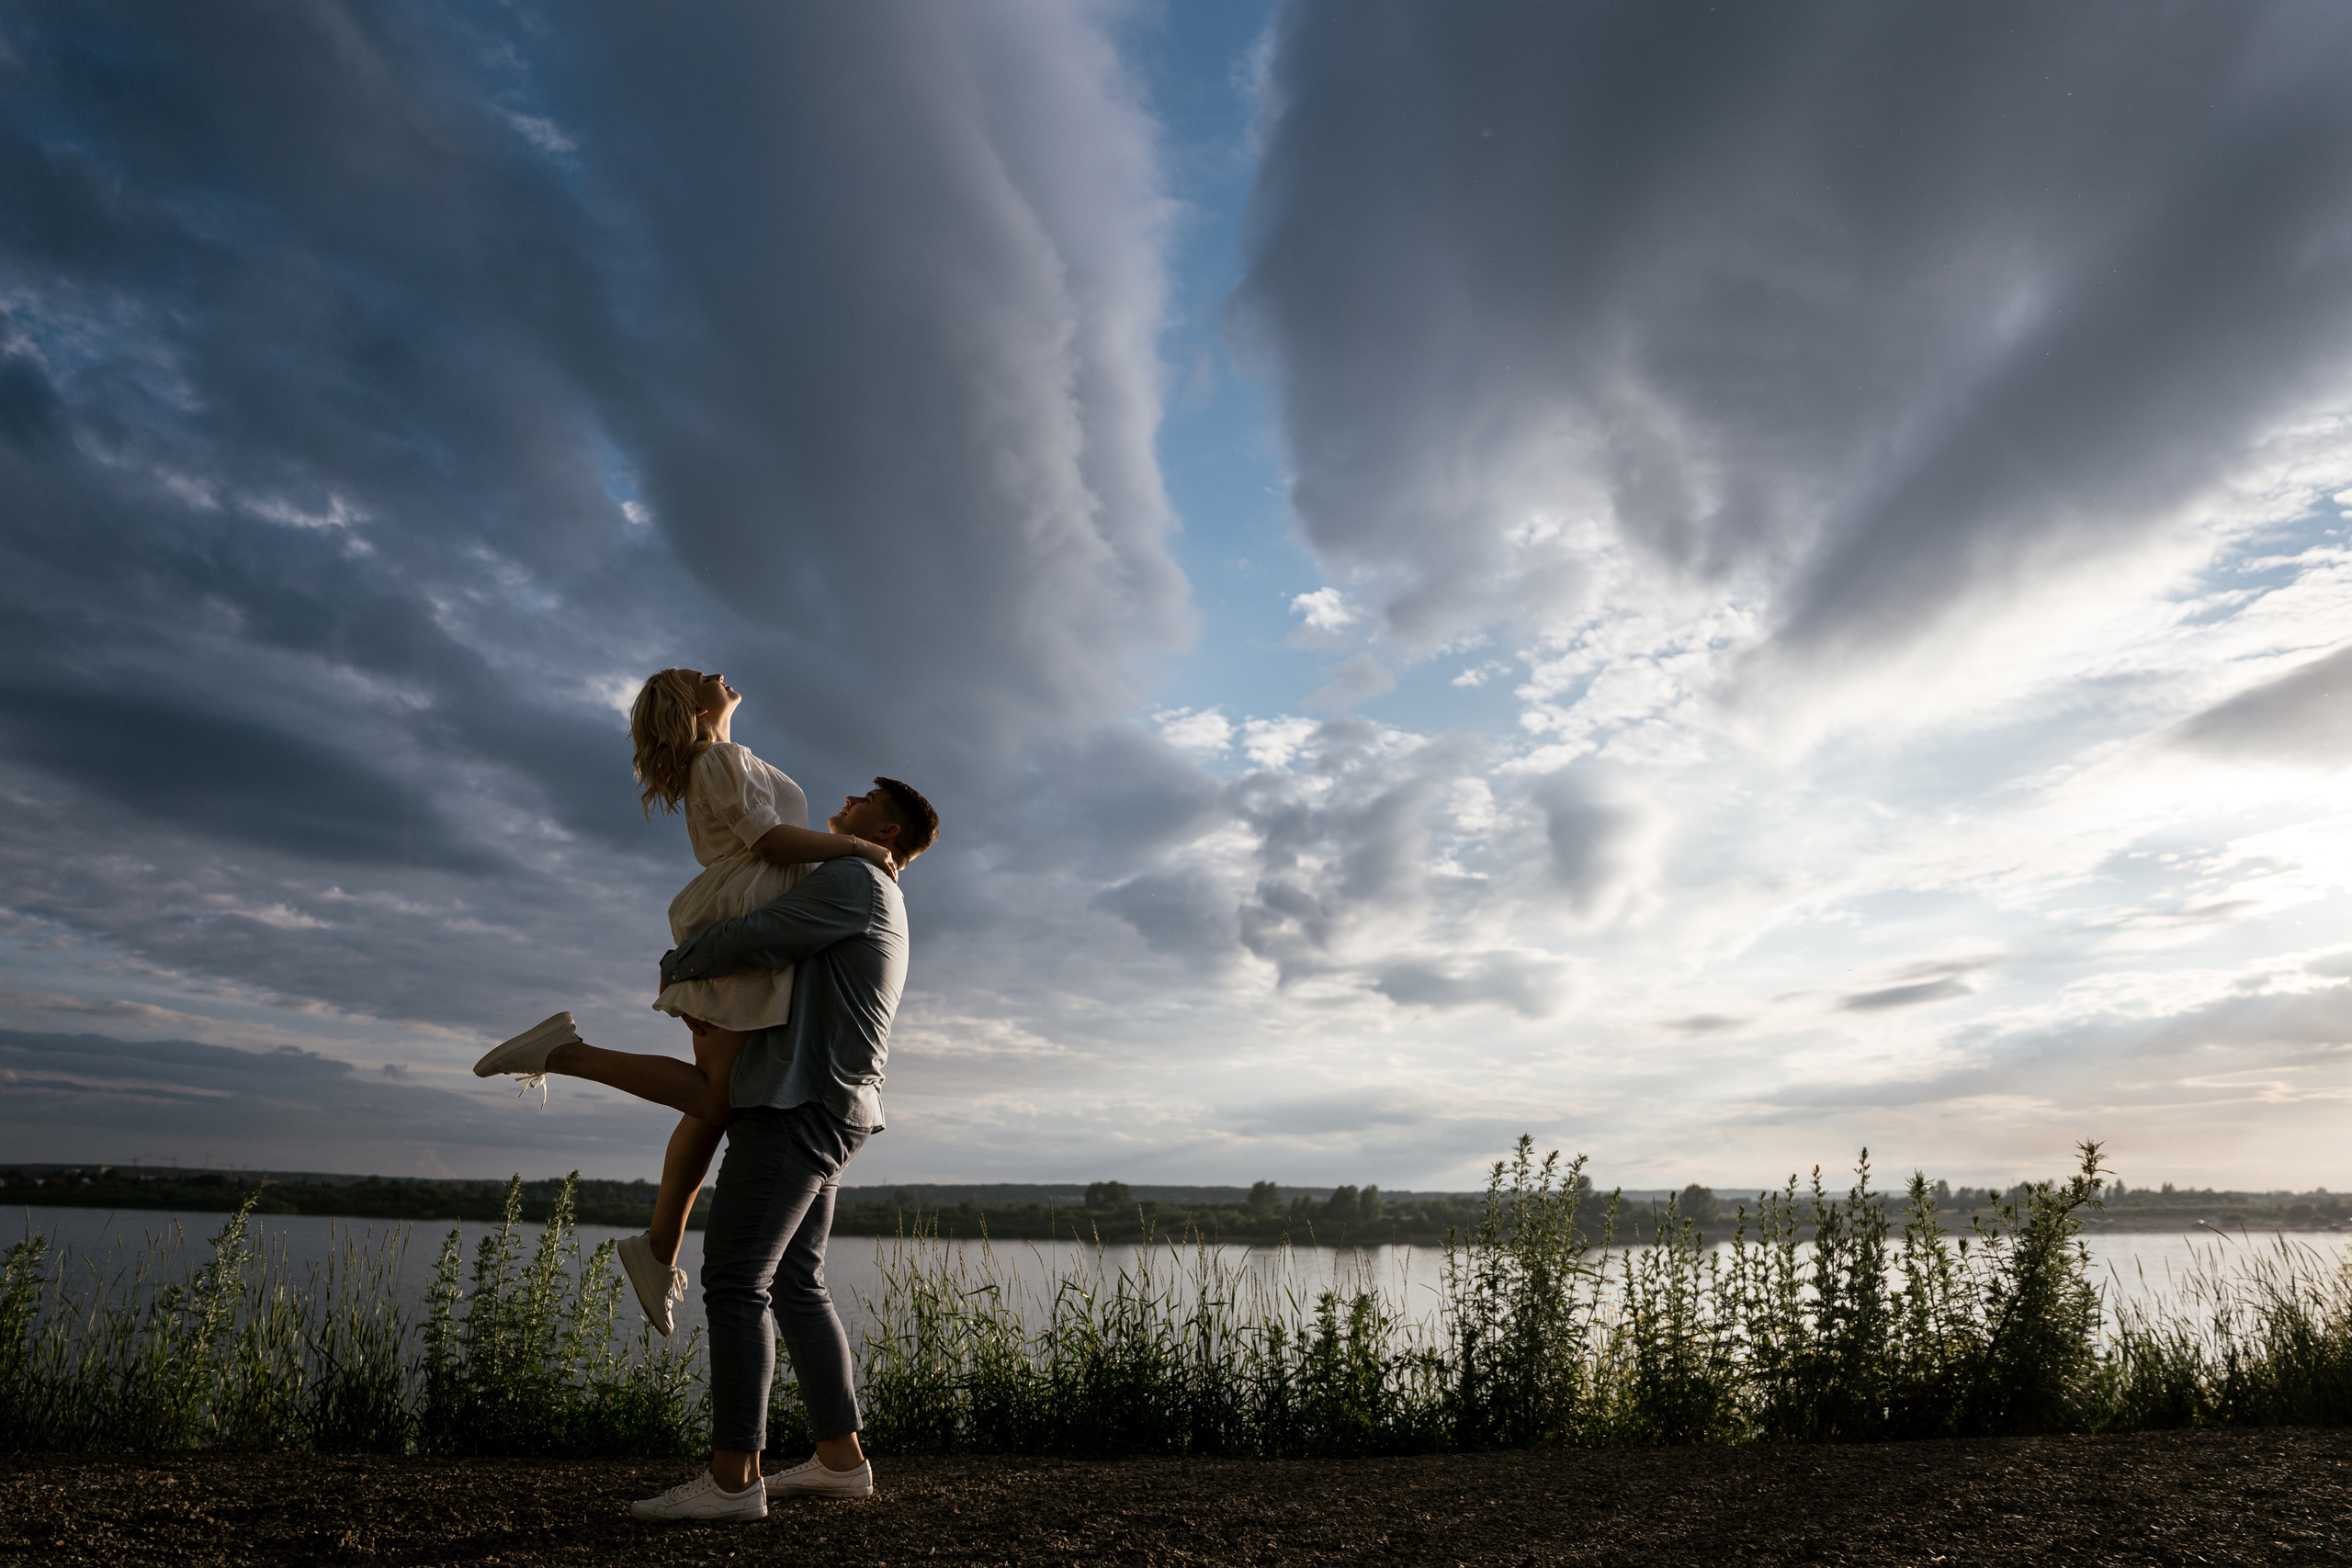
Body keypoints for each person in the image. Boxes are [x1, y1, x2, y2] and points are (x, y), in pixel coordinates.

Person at [472, 668, 894, 1335]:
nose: (721, 673)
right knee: (712, 1099)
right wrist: (860, 846)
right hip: (736, 934)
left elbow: (763, 839)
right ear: (698, 705)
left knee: (715, 1103)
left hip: (739, 930)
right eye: (705, 675)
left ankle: (658, 1246)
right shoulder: (720, 759)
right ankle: (563, 1052)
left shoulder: (727, 756)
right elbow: (769, 843)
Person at [626, 773, 936, 1522]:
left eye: (865, 798)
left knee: (736, 1279)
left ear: (887, 830)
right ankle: (839, 1459)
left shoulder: (855, 878)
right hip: (832, 1103)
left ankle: (733, 1480)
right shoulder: (869, 885)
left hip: (800, 1103)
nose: (850, 799)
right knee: (796, 1281)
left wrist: (681, 961)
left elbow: (760, 934)